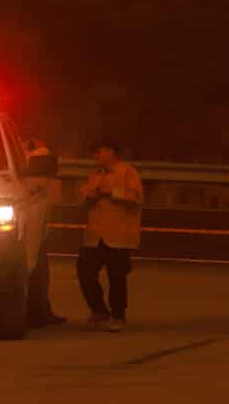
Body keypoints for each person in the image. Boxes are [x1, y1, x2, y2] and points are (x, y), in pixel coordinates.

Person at [76, 137, 143, 331]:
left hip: (118, 236)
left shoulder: (127, 172)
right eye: (95, 152)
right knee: (85, 272)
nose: (96, 155)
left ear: (112, 152)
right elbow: (82, 199)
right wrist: (89, 197)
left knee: (117, 277)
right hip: (94, 236)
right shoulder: (95, 175)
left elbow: (136, 197)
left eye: (100, 151)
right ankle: (99, 310)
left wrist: (111, 192)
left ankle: (118, 316)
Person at [20, 137, 68, 327]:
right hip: (32, 227)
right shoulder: (35, 159)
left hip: (32, 226)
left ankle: (40, 310)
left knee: (38, 272)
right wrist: (37, 148)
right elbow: (44, 166)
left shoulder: (18, 161)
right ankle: (37, 312)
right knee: (36, 273)